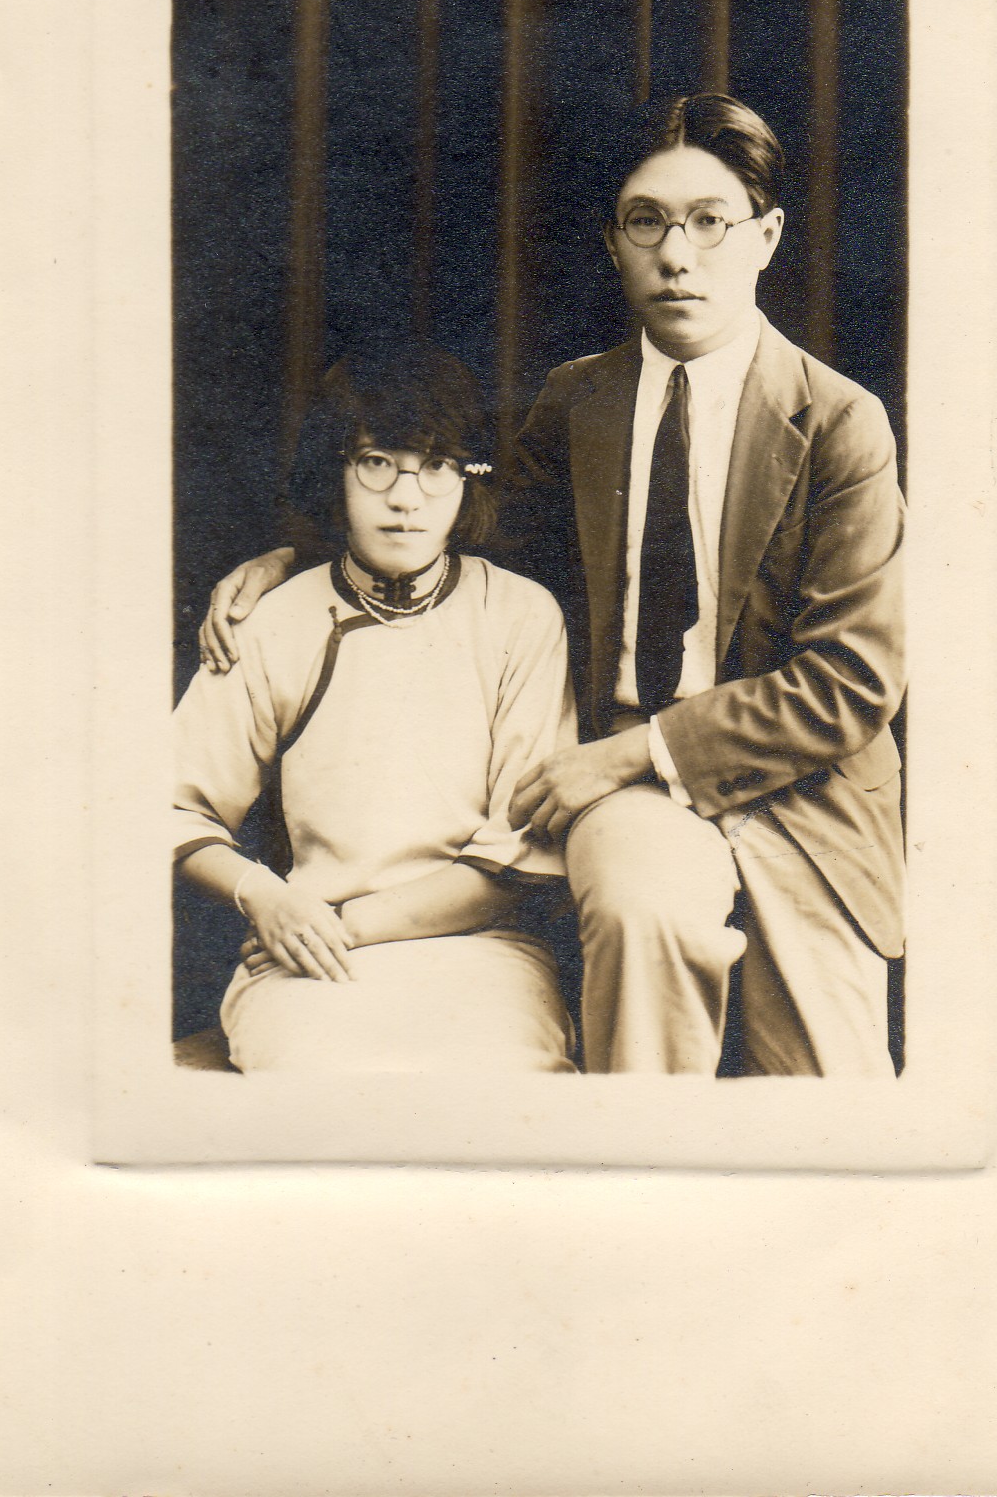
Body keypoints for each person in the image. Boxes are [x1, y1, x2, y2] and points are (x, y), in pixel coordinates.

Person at [200, 93, 905, 1079]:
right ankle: (634, 1157)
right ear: (613, 243)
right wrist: (293, 557)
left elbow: (850, 682)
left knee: (829, 1099)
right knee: (640, 905)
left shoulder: (837, 422)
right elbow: (456, 516)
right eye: (646, 221)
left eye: (709, 221)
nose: (677, 255)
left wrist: (630, 753)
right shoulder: (578, 401)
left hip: (803, 798)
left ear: (766, 236)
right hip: (634, 797)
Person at [175, 345, 578, 1074]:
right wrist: (264, 896)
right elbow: (170, 806)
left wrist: (351, 923)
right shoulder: (273, 618)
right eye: (375, 463)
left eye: (437, 466)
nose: (405, 498)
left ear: (470, 479)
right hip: (306, 953)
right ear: (336, 472)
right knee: (316, 1080)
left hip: (479, 951)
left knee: (501, 1080)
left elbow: (518, 850)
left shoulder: (519, 615)